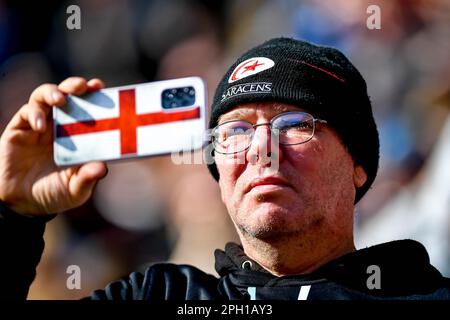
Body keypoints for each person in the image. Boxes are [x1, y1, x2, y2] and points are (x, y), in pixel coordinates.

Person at [0, 37, 449, 300]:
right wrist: (15, 216)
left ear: (358, 165)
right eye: (235, 132)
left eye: (294, 125)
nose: (261, 150)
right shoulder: (160, 296)